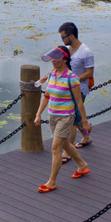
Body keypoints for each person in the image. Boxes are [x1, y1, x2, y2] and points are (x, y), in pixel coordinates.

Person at [33, 45, 91, 193]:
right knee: (65, 144)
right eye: (52, 59)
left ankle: (51, 182)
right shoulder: (52, 75)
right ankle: (82, 164)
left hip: (66, 116)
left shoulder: (72, 78)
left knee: (55, 148)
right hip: (53, 116)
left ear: (65, 59)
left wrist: (84, 122)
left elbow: (79, 102)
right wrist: (38, 114)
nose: (53, 62)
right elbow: (47, 96)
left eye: (57, 59)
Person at [59, 22, 94, 150]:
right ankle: (86, 137)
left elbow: (89, 73)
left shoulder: (86, 52)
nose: (62, 40)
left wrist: (72, 80)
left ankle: (68, 151)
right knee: (78, 117)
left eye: (63, 37)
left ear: (72, 36)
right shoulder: (68, 50)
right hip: (68, 89)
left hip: (80, 89)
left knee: (72, 120)